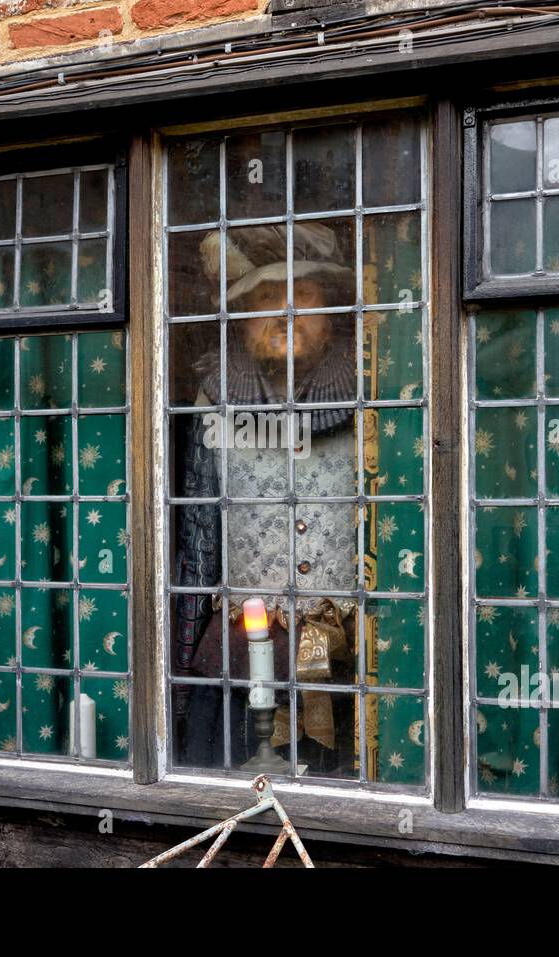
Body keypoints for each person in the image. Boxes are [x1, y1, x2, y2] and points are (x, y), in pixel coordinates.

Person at [172, 222, 361, 773]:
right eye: (266, 299)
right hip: (240, 647)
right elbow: (198, 533)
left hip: (348, 650)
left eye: (302, 297)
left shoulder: (376, 395)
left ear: (329, 310)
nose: (285, 314)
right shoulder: (213, 399)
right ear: (242, 316)